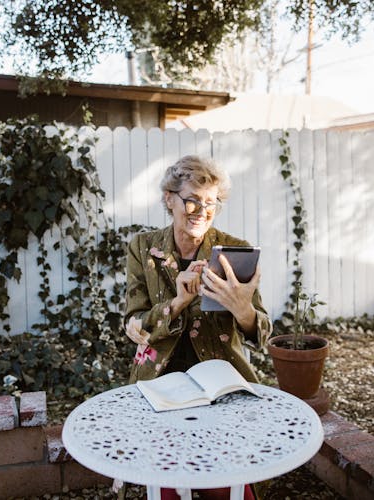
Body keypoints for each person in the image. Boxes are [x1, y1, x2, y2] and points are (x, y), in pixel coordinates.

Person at [123, 155, 272, 500]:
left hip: (221, 379)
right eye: (192, 199)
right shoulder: (143, 249)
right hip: (160, 381)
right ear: (169, 199)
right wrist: (176, 303)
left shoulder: (234, 252)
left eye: (210, 203)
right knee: (166, 480)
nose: (201, 210)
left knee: (229, 484)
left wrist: (243, 309)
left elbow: (262, 333)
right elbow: (134, 325)